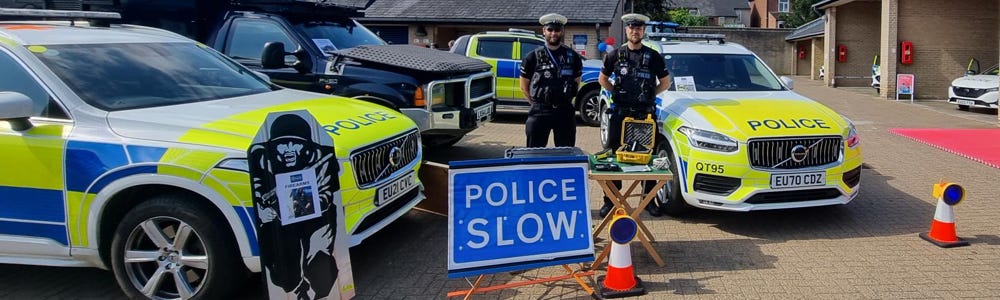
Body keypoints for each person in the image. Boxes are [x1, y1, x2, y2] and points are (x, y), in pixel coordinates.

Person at [597, 13, 672, 218]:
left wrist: (649, 96)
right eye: (631, 28)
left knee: (649, 158)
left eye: (638, 28)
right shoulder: (615, 55)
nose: (635, 31)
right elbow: (602, 79)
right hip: (620, 115)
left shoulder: (653, 56)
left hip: (644, 116)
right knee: (612, 156)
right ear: (627, 30)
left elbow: (666, 83)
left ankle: (648, 200)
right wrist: (617, 93)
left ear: (643, 31)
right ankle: (610, 200)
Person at [519, 13, 583, 147]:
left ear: (562, 31)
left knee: (565, 154)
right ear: (544, 31)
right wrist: (537, 104)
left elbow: (576, 81)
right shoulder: (532, 57)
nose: (554, 33)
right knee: (534, 153)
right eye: (550, 30)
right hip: (540, 111)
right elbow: (524, 86)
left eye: (557, 30)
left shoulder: (573, 57)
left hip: (564, 111)